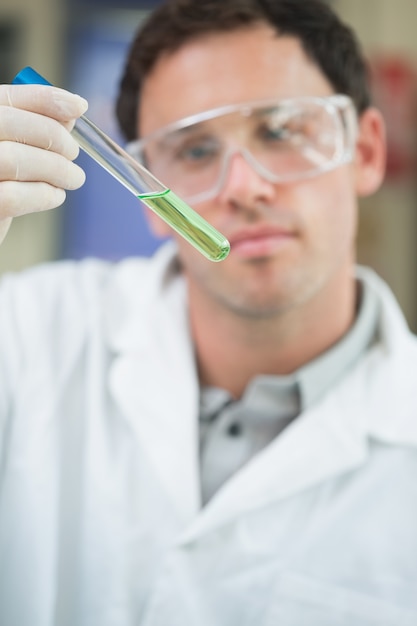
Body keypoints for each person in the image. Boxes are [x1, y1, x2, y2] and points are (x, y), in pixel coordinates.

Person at [0, 0, 416, 624]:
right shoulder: (30, 334)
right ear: (145, 194)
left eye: (280, 131)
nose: (242, 186)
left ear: (365, 152)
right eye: (195, 151)